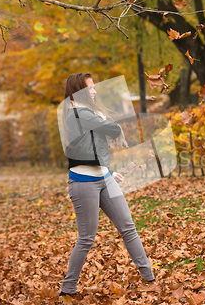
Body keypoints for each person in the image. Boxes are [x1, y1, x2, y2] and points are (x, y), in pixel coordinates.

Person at [59, 72, 155, 300]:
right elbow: (111, 129)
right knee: (86, 238)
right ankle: (67, 289)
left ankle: (150, 278)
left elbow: (96, 147)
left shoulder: (89, 112)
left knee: (128, 227)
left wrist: (109, 172)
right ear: (77, 91)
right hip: (84, 183)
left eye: (93, 88)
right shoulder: (76, 113)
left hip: (104, 179)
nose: (94, 91)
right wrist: (111, 126)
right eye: (89, 89)